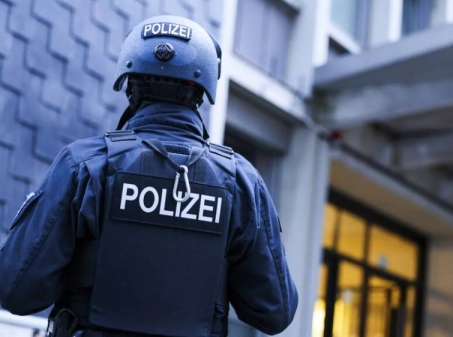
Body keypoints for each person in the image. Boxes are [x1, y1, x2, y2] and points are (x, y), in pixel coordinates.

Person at [0, 15, 298, 337]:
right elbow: (274, 312)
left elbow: (17, 289)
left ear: (131, 86)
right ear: (202, 92)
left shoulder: (85, 165)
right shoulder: (241, 182)